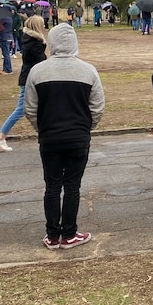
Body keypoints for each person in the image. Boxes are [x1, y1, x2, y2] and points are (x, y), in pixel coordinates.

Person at [25, 24, 105, 250]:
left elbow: (30, 108)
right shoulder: (88, 71)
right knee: (72, 185)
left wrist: (41, 128)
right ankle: (68, 233)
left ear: (51, 42)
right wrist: (87, 127)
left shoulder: (38, 71)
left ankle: (52, 234)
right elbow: (97, 107)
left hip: (49, 137)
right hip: (78, 136)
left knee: (51, 185)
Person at [0, 15, 48, 152]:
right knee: (21, 109)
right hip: (30, 79)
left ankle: (45, 136)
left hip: (32, 78)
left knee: (42, 108)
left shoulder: (31, 40)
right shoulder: (34, 43)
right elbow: (41, 60)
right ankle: (0, 137)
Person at [0, 8, 14, 75]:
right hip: (9, 36)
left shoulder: (4, 18)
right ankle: (5, 68)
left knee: (6, 54)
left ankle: (9, 69)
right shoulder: (10, 18)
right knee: (6, 54)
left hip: (4, 37)